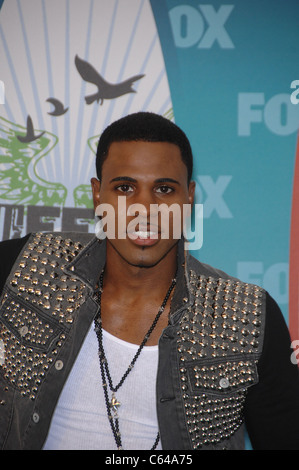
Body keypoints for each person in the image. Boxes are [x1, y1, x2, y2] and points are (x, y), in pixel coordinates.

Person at [0, 112, 299, 451]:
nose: (145, 208)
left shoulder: (246, 315)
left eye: (164, 189)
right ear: (97, 195)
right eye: (125, 188)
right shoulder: (26, 267)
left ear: (189, 198)